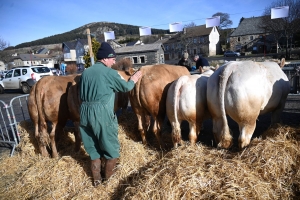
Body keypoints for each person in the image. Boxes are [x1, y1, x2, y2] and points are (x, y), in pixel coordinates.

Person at [79, 42, 142, 187]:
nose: (114, 62)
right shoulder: (109, 73)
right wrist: (134, 79)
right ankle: (109, 183)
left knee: (93, 151)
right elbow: (125, 87)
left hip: (84, 113)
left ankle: (96, 181)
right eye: (112, 58)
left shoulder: (86, 72)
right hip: (101, 114)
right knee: (111, 150)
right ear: (105, 58)